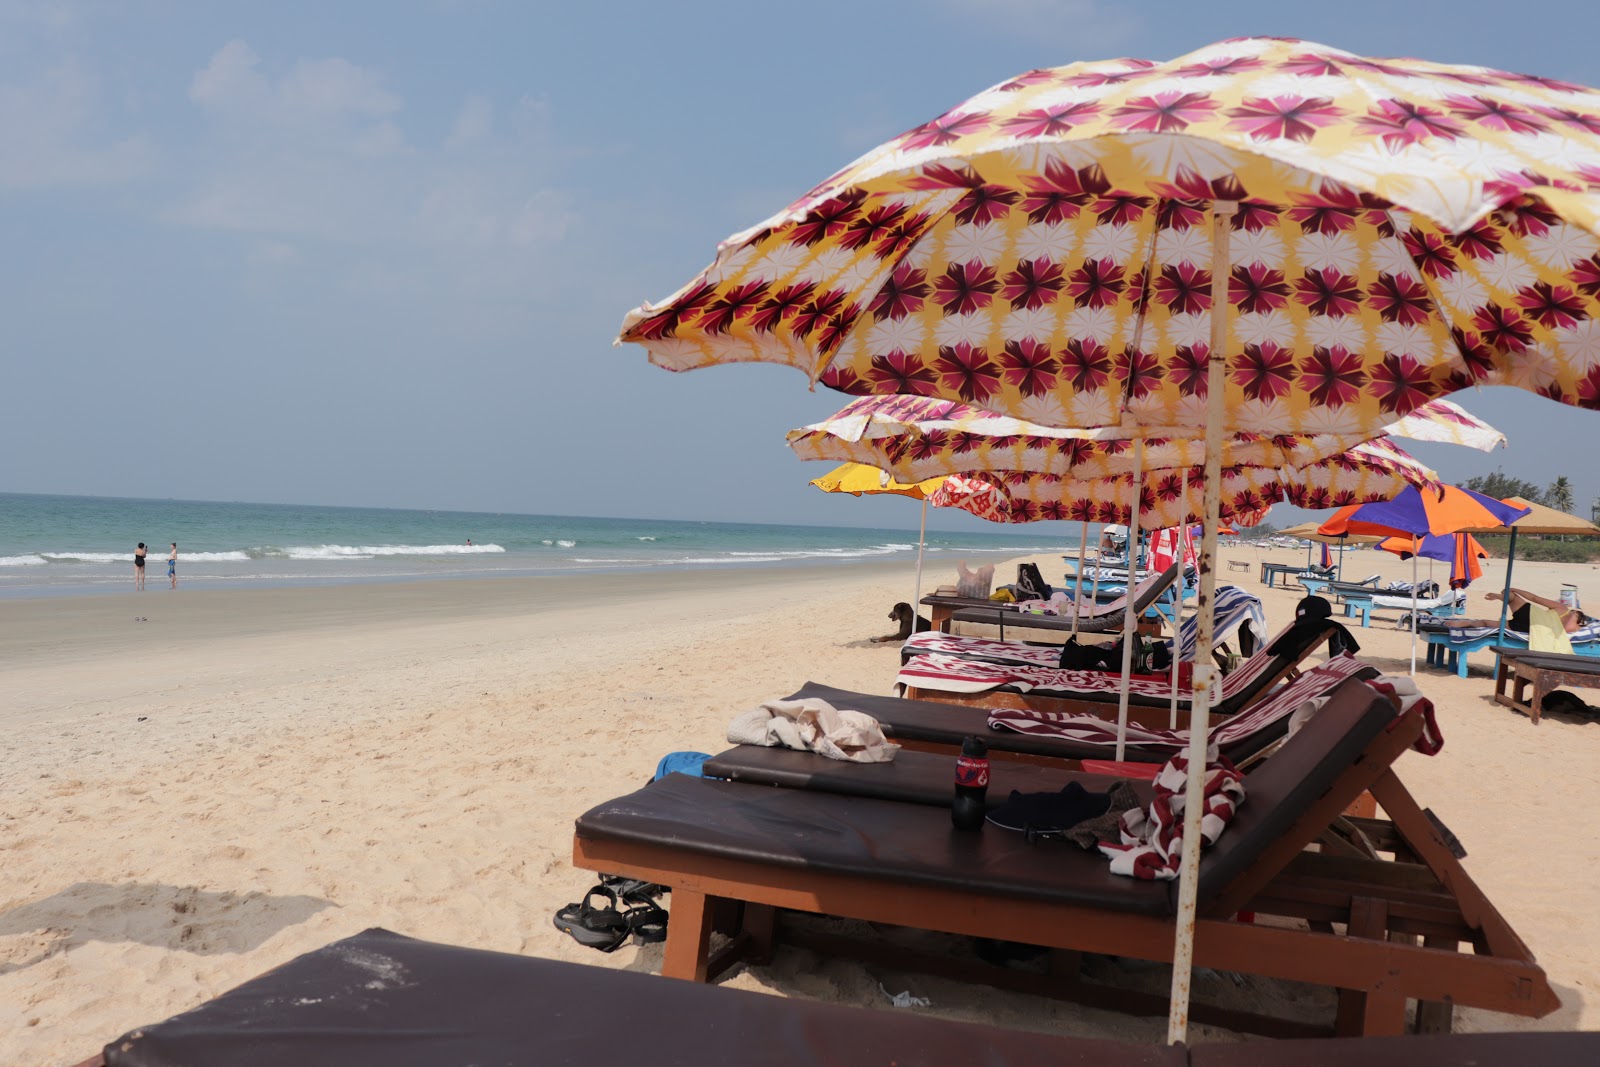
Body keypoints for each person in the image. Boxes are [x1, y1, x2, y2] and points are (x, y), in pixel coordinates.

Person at [1486, 587, 1591, 633]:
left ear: (1574, 611)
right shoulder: (1574, 628)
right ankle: (1501, 619)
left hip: (1530, 616)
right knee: (1487, 623)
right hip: (1530, 628)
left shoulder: (1562, 609)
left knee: (1512, 596)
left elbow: (1535, 598)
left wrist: (1514, 589)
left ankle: (1498, 596)